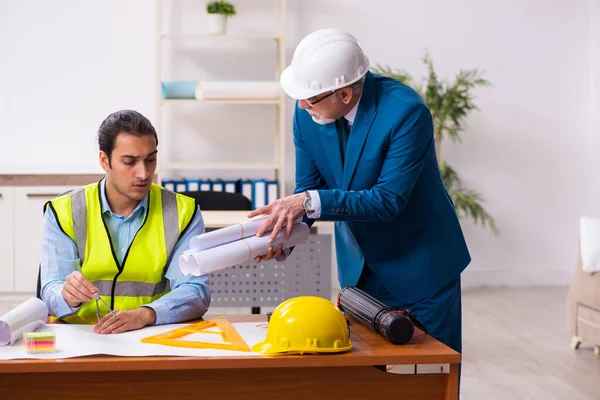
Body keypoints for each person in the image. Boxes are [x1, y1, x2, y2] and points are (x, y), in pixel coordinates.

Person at [248, 29, 471, 357]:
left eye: (310, 98)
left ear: (345, 95)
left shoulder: (407, 113)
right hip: (361, 273)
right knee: (370, 378)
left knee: (432, 374)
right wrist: (283, 237)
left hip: (422, 267)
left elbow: (387, 199)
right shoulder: (307, 113)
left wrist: (307, 202)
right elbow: (309, 189)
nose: (302, 104)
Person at [40, 109, 211, 334]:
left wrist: (145, 314)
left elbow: (195, 291)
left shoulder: (183, 212)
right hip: (81, 338)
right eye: (130, 162)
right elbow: (52, 289)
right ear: (104, 160)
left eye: (150, 160)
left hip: (153, 336)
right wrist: (68, 296)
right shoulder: (64, 211)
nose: (143, 173)